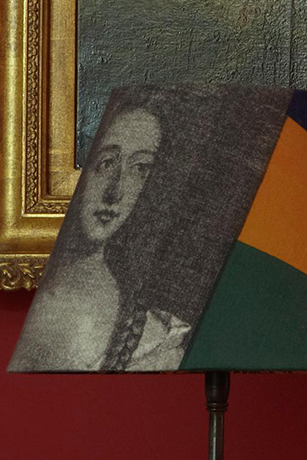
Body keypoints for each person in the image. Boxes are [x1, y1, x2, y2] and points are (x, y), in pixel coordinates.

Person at [10, 99, 190, 372]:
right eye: (106, 163)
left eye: (140, 168)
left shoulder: (151, 334)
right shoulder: (39, 306)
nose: (116, 191)